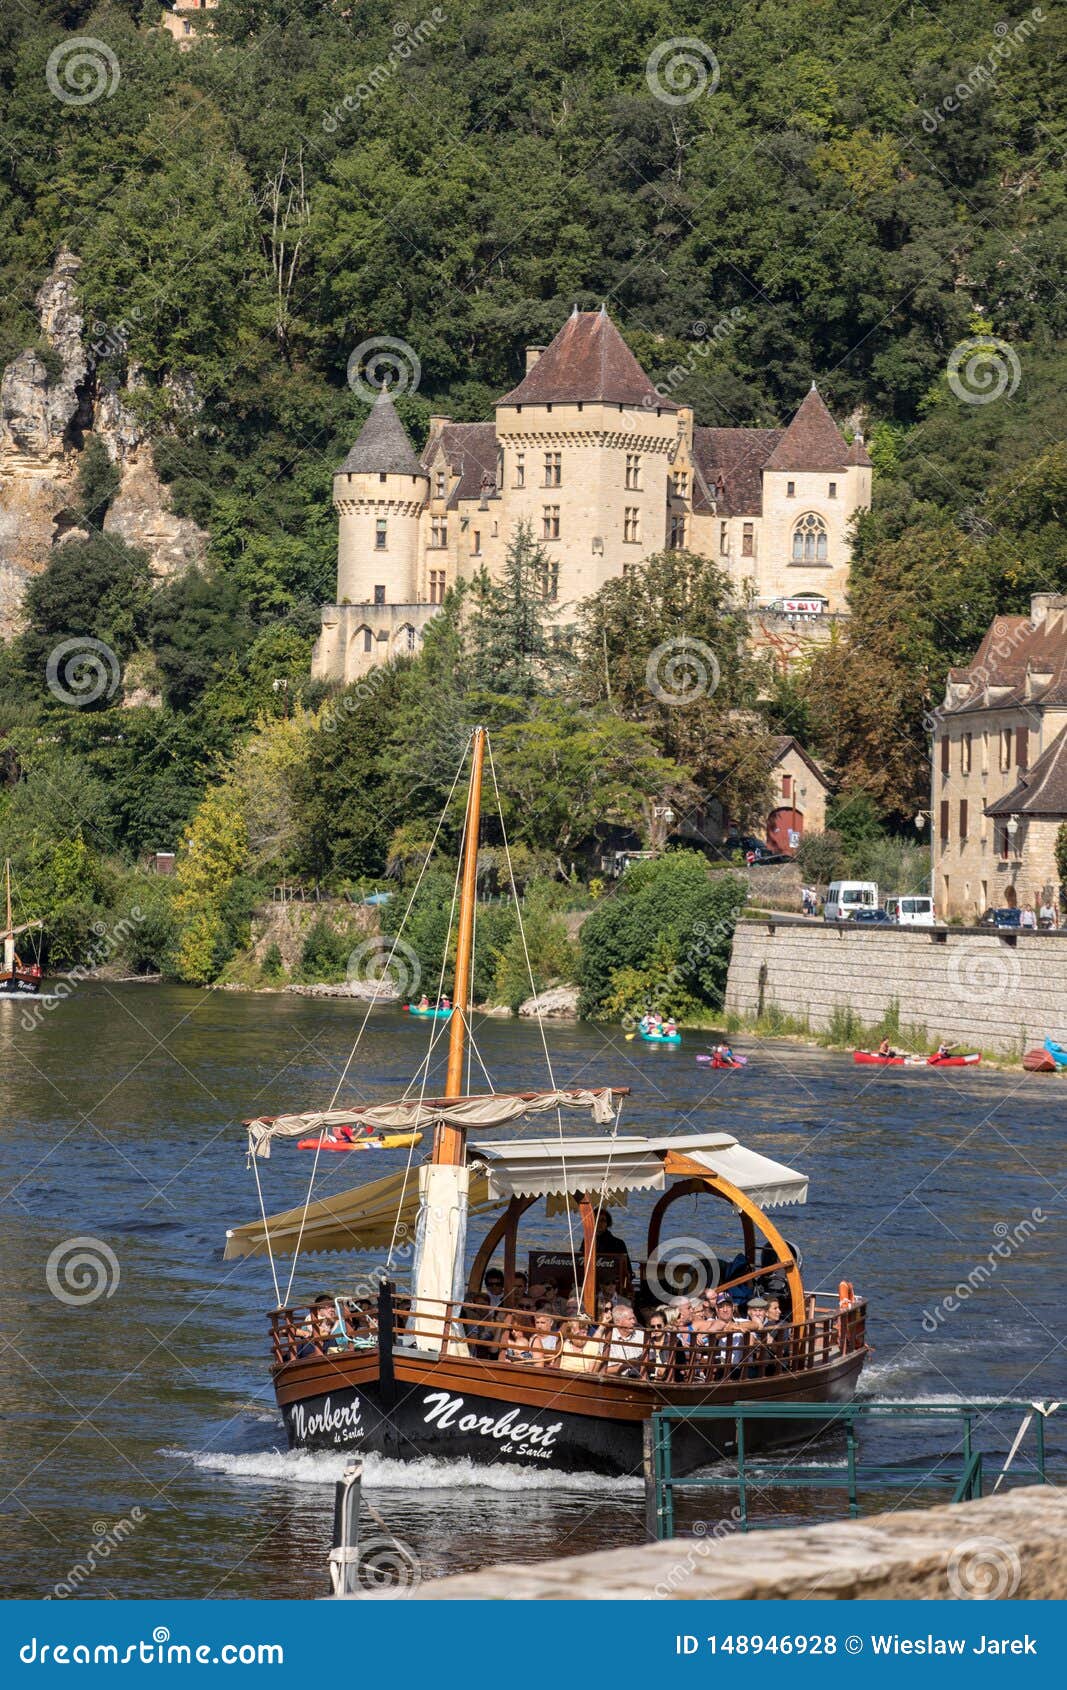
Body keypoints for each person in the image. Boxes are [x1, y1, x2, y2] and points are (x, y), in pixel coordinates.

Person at [601, 1304, 645, 1377]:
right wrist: (627, 1365)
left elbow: (651, 1363)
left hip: (639, 1380)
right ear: (618, 1322)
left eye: (633, 1318)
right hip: (614, 1381)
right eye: (630, 1319)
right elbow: (603, 1369)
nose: (633, 1322)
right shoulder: (607, 1337)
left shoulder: (642, 1336)